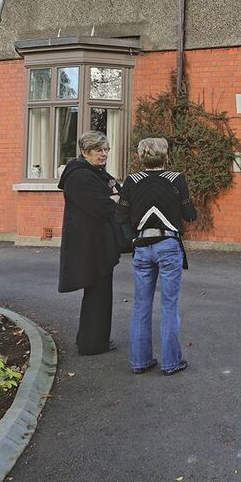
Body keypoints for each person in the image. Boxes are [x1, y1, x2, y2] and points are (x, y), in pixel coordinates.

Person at [117, 137, 197, 376]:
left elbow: (121, 217)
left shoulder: (131, 181)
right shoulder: (176, 179)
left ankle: (140, 361)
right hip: (168, 245)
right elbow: (190, 214)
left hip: (142, 247)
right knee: (169, 305)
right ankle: (171, 362)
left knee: (141, 305)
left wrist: (133, 237)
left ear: (141, 156)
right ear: (166, 155)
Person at [57, 131, 123, 355]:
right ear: (85, 152)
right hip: (90, 244)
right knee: (97, 294)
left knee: (99, 294)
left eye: (106, 150)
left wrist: (114, 197)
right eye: (98, 150)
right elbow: (104, 207)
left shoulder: (94, 173)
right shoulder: (81, 176)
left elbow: (118, 195)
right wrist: (114, 198)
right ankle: (92, 344)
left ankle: (92, 341)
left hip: (96, 242)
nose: (103, 154)